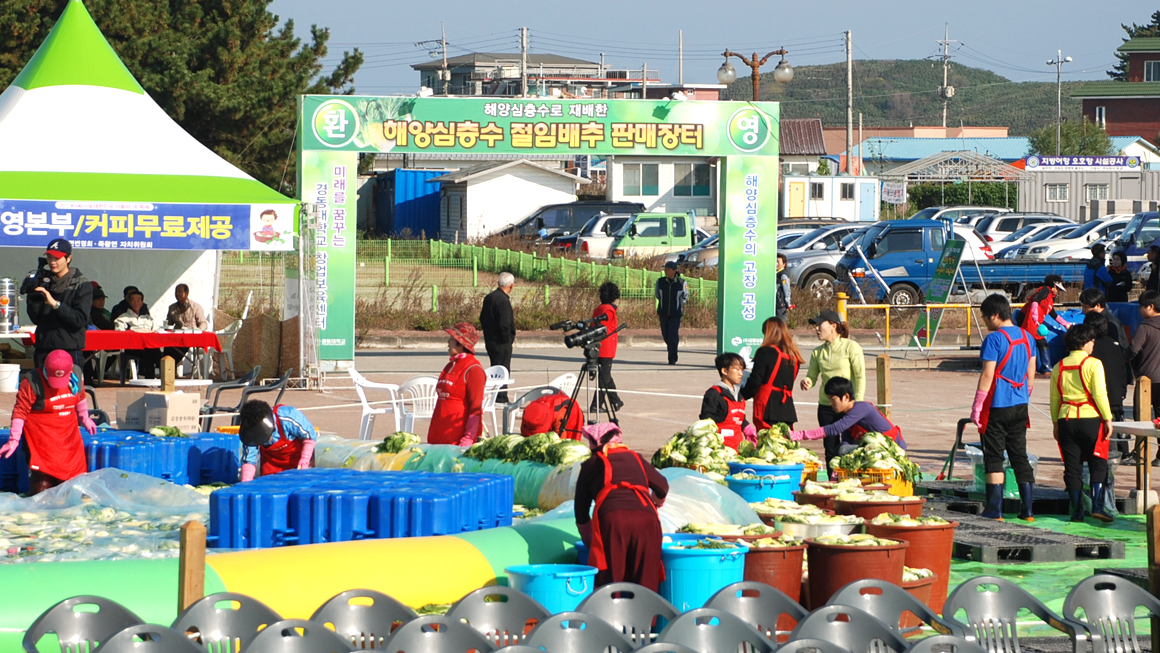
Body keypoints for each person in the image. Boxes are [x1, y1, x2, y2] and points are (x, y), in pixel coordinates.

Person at [575, 422, 668, 592]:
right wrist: (656, 501)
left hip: (613, 520)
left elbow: (580, 512)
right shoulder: (636, 457)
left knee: (612, 579)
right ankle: (645, 618)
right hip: (646, 519)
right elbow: (662, 486)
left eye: (590, 442)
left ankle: (612, 617)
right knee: (645, 579)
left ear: (597, 444)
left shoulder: (591, 464)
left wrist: (590, 541)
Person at [970, 294, 1037, 521]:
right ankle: (1027, 510)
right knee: (1019, 454)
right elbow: (1031, 373)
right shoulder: (1028, 338)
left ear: (995, 315)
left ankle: (994, 508)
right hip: (1020, 405)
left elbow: (988, 374)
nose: (985, 322)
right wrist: (1024, 394)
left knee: (994, 456)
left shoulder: (994, 340)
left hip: (997, 406)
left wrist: (977, 406)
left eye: (985, 317)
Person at [0, 350, 95, 493]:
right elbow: (20, 411)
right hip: (41, 440)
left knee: (71, 487)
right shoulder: (32, 381)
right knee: (42, 488)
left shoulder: (76, 373)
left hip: (68, 439)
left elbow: (80, 395)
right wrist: (14, 439)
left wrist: (85, 417)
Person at [1051, 323, 1115, 523]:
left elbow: (1055, 399)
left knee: (1072, 467)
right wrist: (1108, 418)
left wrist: (1055, 423)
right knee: (1098, 462)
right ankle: (1097, 506)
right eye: (1091, 342)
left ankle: (1077, 510)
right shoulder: (1093, 364)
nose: (1093, 345)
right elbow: (1099, 394)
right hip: (1090, 419)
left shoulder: (1058, 366)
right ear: (1083, 343)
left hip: (1066, 419)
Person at [801, 309, 865, 468]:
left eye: (819, 325)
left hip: (848, 406)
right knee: (830, 448)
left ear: (833, 325)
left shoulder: (851, 347)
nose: (816, 329)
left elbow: (860, 376)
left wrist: (858, 404)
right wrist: (807, 381)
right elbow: (812, 376)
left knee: (848, 447)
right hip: (826, 406)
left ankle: (848, 481)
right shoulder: (817, 352)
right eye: (815, 326)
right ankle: (832, 482)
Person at [21, 238, 92, 368]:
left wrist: (54, 303)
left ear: (68, 258)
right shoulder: (44, 281)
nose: (52, 262)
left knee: (69, 387)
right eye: (49, 258)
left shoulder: (81, 284)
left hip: (69, 347)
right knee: (41, 386)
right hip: (44, 346)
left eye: (57, 258)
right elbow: (36, 318)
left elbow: (80, 319)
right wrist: (33, 296)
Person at [789, 377, 904, 449]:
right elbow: (846, 440)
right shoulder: (846, 413)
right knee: (841, 450)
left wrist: (799, 435)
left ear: (846, 397)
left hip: (892, 448)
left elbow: (834, 429)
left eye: (832, 399)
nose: (830, 404)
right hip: (876, 447)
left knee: (843, 451)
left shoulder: (861, 408)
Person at [429, 322, 486, 446]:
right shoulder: (451, 364)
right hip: (439, 433)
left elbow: (476, 408)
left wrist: (468, 438)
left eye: (451, 339)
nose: (448, 342)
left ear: (460, 343)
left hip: (457, 437)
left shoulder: (474, 369)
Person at [742, 316, 803, 431]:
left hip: (768, 406)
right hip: (787, 407)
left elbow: (755, 380)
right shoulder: (793, 355)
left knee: (767, 441)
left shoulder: (765, 352)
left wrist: (742, 395)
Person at [1085, 311, 1129, 464]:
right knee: (1118, 421)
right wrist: (1123, 389)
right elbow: (1122, 369)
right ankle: (1124, 452)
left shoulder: (1090, 348)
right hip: (1116, 392)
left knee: (1102, 424)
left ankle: (1104, 452)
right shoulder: (1114, 344)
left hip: (1100, 393)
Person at [238, 400, 317, 481]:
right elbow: (249, 461)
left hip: (297, 463)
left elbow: (310, 436)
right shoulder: (250, 432)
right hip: (270, 467)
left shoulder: (288, 416)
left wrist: (304, 460)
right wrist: (245, 483)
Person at [700, 352, 757, 451]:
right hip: (720, 450)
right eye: (737, 369)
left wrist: (747, 427)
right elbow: (706, 421)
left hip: (737, 448)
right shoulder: (714, 394)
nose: (741, 373)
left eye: (742, 369)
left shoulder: (739, 394)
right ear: (724, 371)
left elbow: (739, 418)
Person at [1130, 290, 1160, 466]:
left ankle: (1141, 453)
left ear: (1151, 306)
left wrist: (1124, 358)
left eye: (1142, 306)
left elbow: (1134, 349)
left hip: (1146, 380)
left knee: (1141, 417)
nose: (1140, 309)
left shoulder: (1145, 327)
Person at [1019, 274, 1071, 375]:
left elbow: (1054, 315)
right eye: (1057, 289)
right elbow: (1035, 300)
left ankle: (1042, 367)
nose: (1058, 291)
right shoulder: (1045, 290)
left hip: (1036, 323)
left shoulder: (1050, 300)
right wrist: (1034, 313)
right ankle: (1046, 367)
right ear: (1054, 286)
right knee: (1040, 342)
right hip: (1030, 321)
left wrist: (1066, 324)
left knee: (1033, 344)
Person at [479, 272, 516, 403]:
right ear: (511, 286)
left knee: (495, 366)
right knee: (503, 368)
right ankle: (501, 397)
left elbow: (482, 318)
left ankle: (495, 395)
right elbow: (505, 323)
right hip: (501, 342)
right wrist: (508, 338)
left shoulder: (489, 297)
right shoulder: (503, 301)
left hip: (490, 340)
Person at [592, 281, 623, 414]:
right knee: (604, 378)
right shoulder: (608, 310)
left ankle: (615, 400)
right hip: (606, 348)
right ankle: (596, 404)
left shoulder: (599, 308)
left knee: (606, 376)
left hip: (600, 348)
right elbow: (602, 328)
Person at [114, 290, 160, 379]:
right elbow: (119, 332)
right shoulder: (123, 318)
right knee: (152, 351)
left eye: (139, 300)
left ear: (142, 302)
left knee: (154, 350)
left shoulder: (147, 318)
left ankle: (152, 376)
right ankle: (150, 377)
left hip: (147, 346)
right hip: (131, 347)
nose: (136, 303)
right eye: (133, 300)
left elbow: (156, 330)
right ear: (129, 302)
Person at [164, 283, 208, 365]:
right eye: (176, 292)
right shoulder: (172, 308)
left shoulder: (195, 307)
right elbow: (168, 324)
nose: (177, 294)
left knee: (180, 347)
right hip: (177, 337)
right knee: (167, 346)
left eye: (180, 292)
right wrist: (166, 327)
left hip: (190, 337)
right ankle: (168, 369)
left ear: (186, 293)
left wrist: (198, 330)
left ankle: (170, 365)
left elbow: (203, 323)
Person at [655, 261, 688, 365]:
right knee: (665, 334)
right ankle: (672, 348)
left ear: (674, 271)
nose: (666, 271)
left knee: (672, 334)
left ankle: (672, 358)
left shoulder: (682, 283)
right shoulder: (660, 282)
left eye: (668, 269)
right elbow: (657, 295)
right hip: (663, 312)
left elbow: (685, 296)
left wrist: (678, 305)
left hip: (676, 314)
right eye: (665, 269)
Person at [775, 253, 793, 323]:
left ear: (784, 264)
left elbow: (786, 289)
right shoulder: (776, 273)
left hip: (781, 304)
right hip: (776, 303)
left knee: (781, 324)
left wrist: (788, 302)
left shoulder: (783, 275)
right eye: (775, 261)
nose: (776, 264)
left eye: (778, 262)